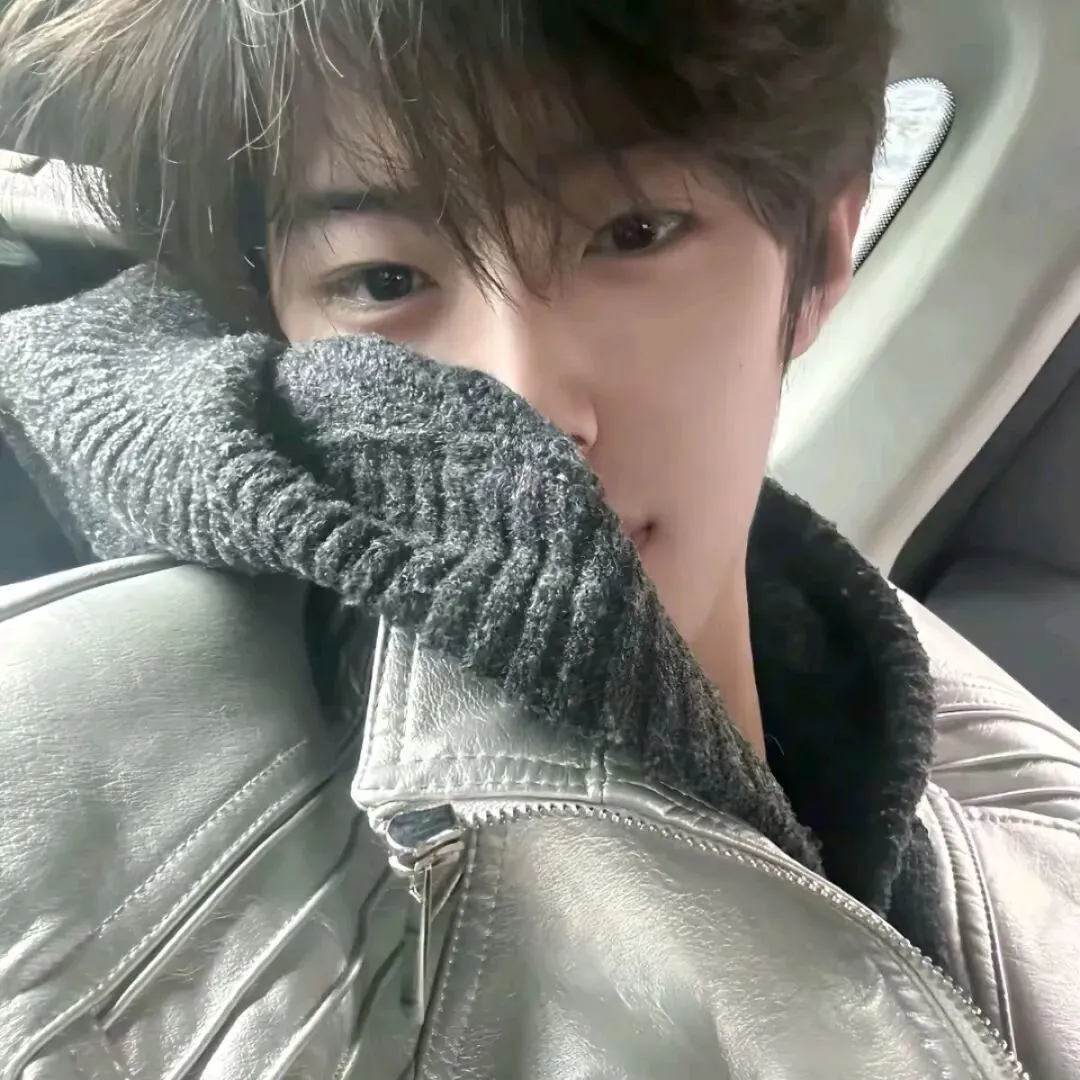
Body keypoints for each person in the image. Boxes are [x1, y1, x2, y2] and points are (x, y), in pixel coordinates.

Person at [0, 1, 1077, 1076]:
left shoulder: (999, 776)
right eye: (383, 281)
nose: (528, 408)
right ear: (278, 326)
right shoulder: (89, 802)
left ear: (822, 255)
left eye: (632, 234)